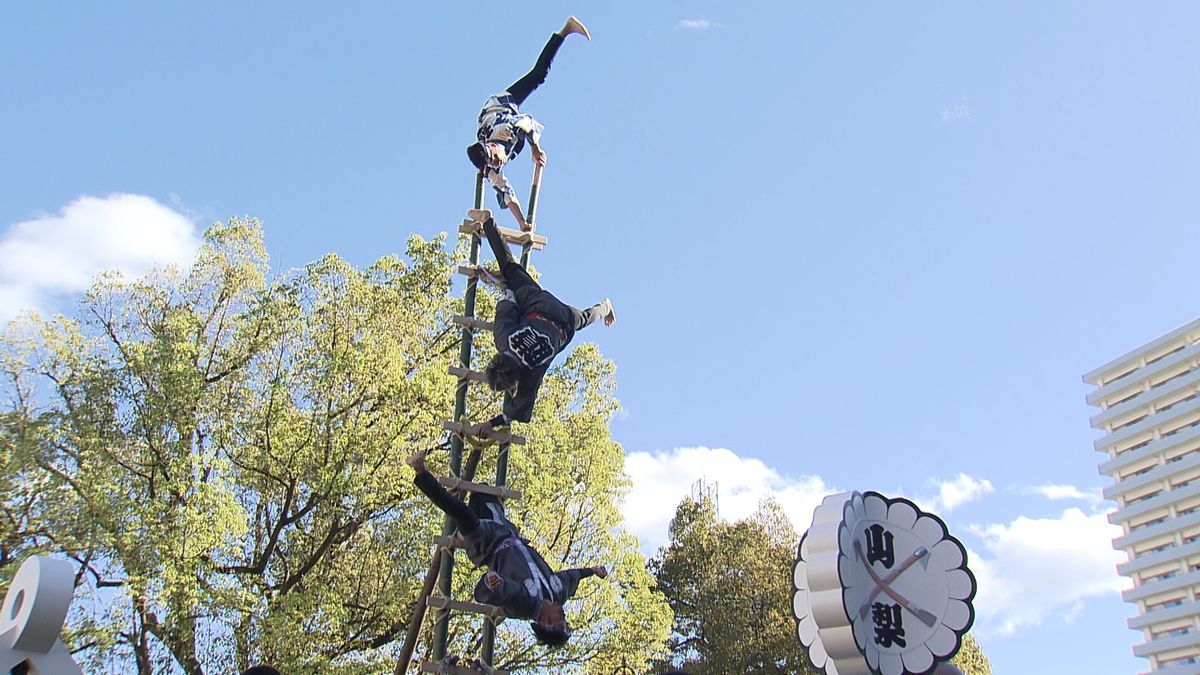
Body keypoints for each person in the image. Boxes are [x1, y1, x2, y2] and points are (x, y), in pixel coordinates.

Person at [406, 449, 608, 646]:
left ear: (545, 622)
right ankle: (461, 536)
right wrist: (593, 571)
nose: (564, 616)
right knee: (482, 490)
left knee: (462, 514)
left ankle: (420, 472)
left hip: (487, 544)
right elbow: (571, 576)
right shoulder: (558, 594)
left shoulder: (524, 605)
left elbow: (502, 592)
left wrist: (491, 583)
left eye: (560, 621)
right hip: (505, 532)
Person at [473, 215, 614, 436]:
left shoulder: (531, 373)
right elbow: (508, 300)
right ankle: (488, 222)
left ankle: (604, 308)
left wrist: (492, 423)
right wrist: (507, 283)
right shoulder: (504, 339)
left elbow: (517, 408)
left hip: (565, 323)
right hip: (540, 304)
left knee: (586, 318)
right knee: (510, 268)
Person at [466, 16, 591, 231]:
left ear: (494, 147)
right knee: (509, 162)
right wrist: (522, 222)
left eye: (496, 157)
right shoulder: (491, 170)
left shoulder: (505, 129)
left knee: (539, 75)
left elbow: (528, 122)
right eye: (495, 162)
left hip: (499, 106)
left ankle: (566, 29)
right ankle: (565, 31)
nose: (499, 162)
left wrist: (536, 148)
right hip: (489, 123)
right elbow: (507, 194)